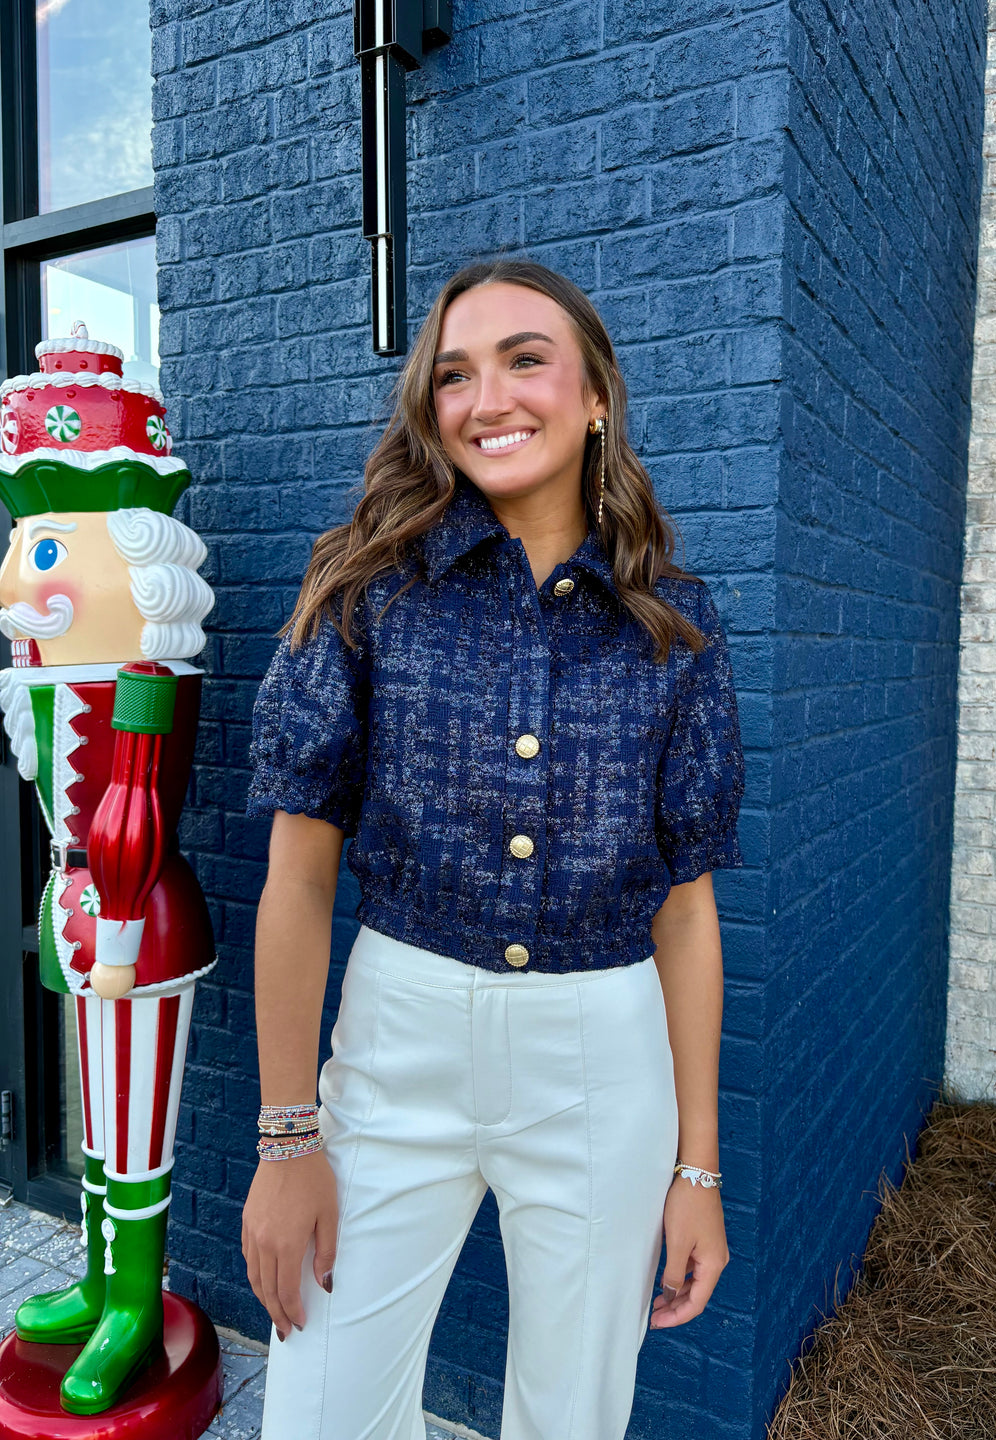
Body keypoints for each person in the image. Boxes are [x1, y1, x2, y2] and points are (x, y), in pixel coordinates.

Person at [242, 258, 745, 1440]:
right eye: (455, 374)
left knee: (573, 1417)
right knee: (321, 1415)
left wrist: (698, 1170)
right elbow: (299, 877)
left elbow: (686, 908)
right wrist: (283, 1138)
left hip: (602, 1062)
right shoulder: (367, 586)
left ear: (595, 397)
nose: (489, 398)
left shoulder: (675, 620)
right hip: (397, 1040)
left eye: (526, 359)